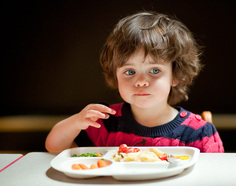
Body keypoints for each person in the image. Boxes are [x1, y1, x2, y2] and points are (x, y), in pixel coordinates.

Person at [45, 11, 224, 153]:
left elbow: (214, 175)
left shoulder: (198, 133)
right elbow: (54, 147)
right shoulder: (105, 122)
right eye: (129, 71)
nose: (140, 81)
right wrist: (76, 121)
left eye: (155, 70)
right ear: (116, 76)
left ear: (175, 75)